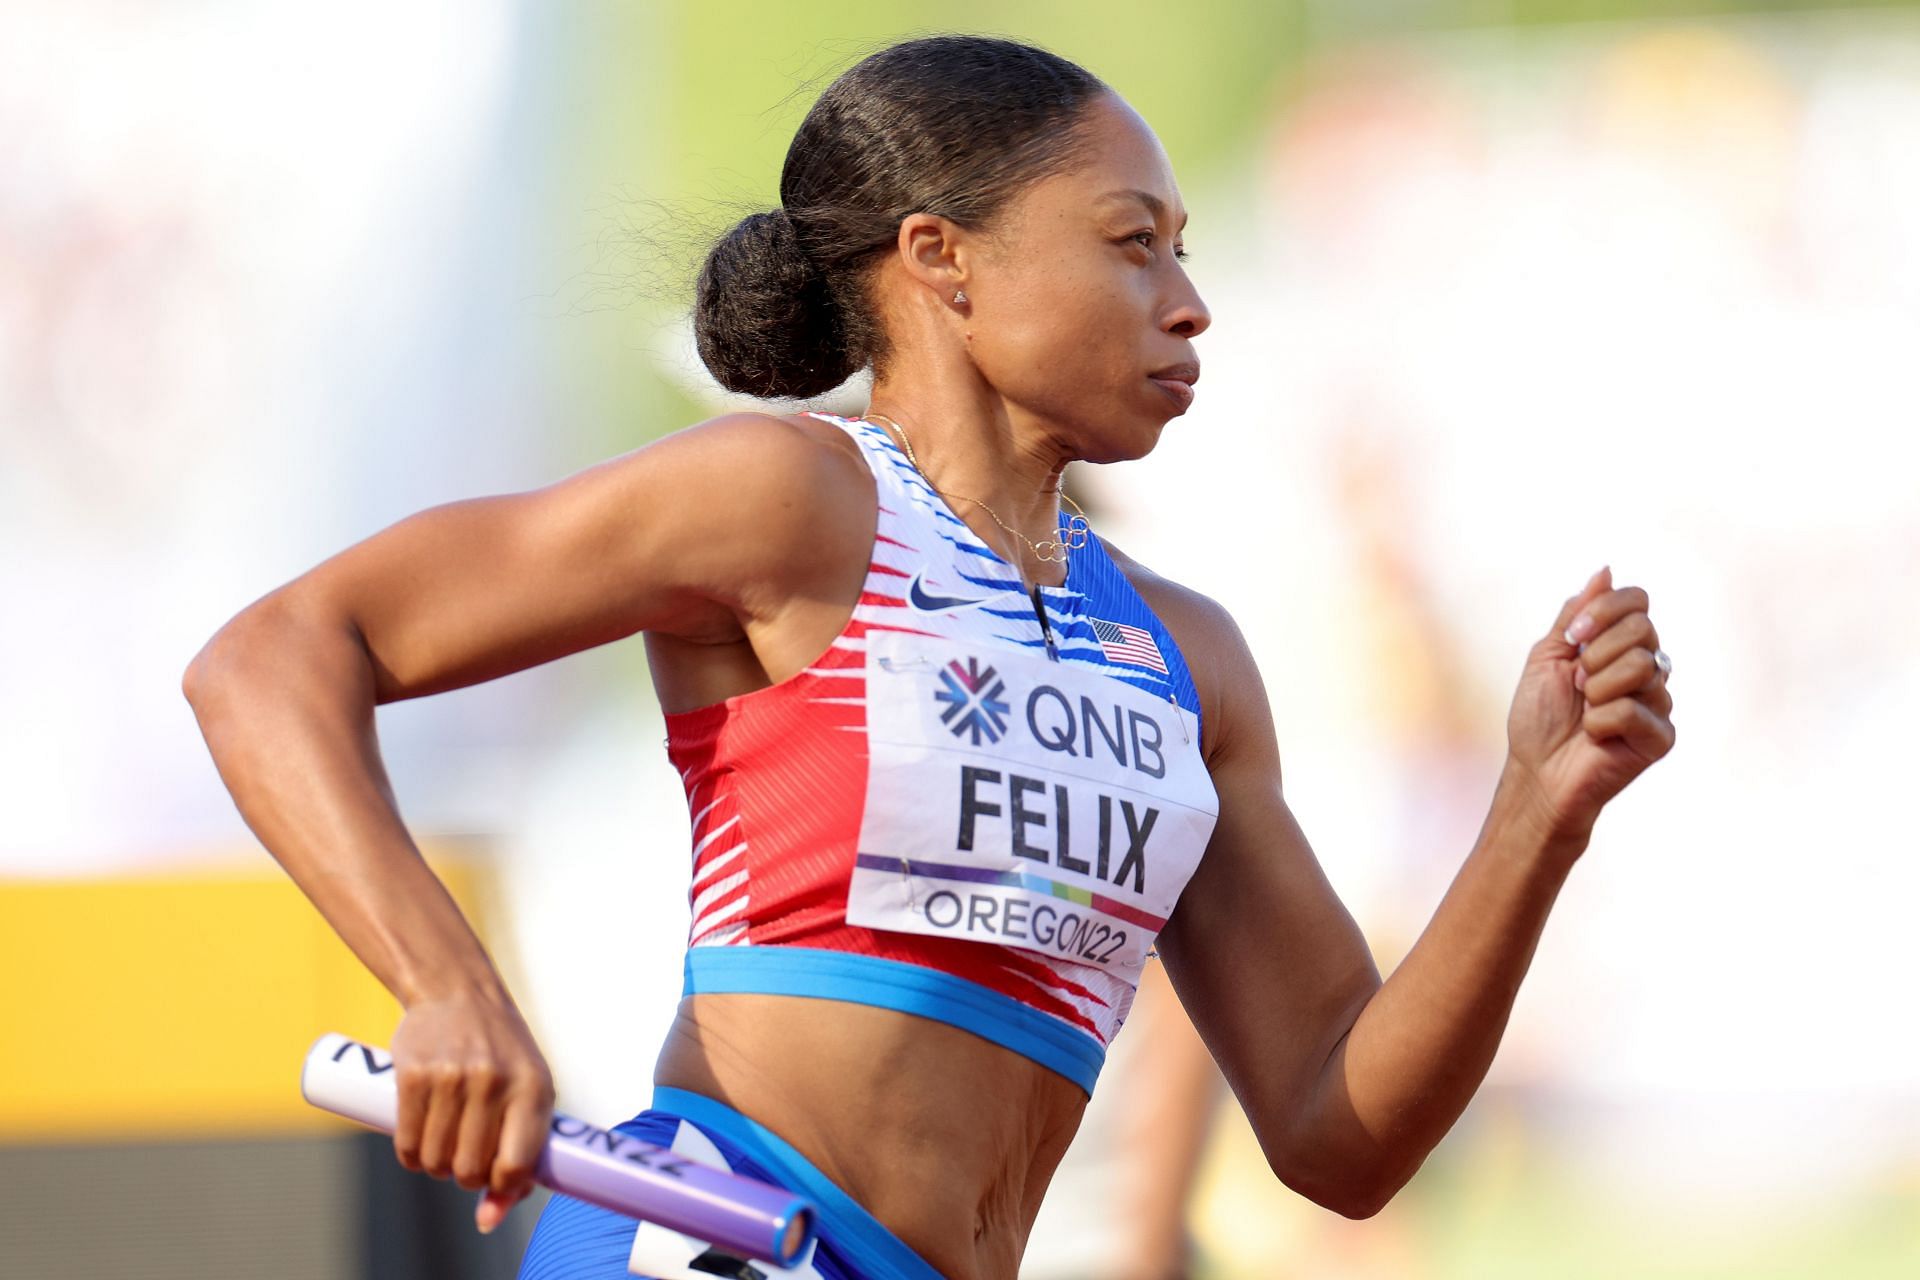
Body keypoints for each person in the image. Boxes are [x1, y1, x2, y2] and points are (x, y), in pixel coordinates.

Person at [181, 33, 1677, 1280]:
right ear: (941, 263)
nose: (1190, 297)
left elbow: (1339, 1134)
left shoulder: (1191, 656)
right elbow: (269, 660)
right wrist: (446, 984)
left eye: (1186, 248)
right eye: (1130, 242)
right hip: (716, 1237)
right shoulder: (786, 496)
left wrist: (1537, 813)